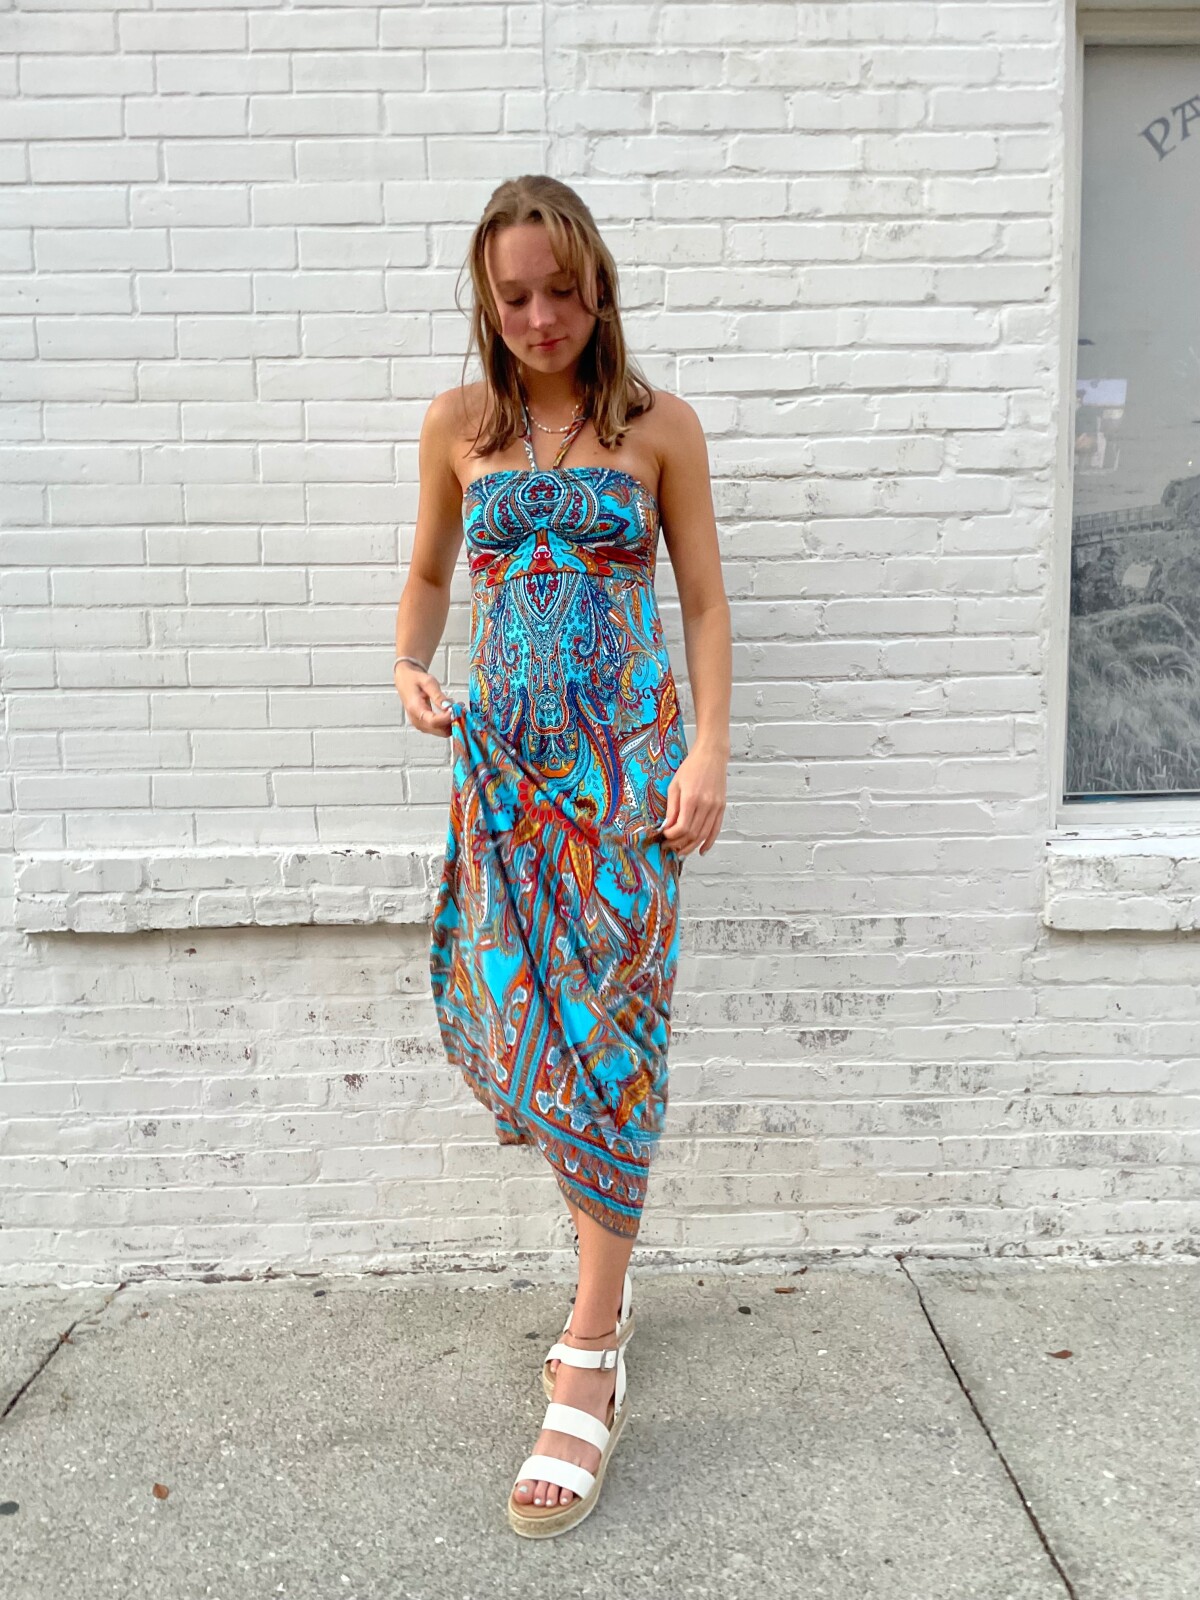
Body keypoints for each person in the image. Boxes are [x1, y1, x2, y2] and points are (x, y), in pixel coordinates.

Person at [392, 174, 731, 1536]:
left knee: (615, 1043)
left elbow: (701, 601)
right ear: (489, 302)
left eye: (563, 290)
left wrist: (709, 753)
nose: (541, 317)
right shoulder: (458, 427)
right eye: (515, 295)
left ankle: (589, 1350)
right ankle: (611, 1282)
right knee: (529, 1023)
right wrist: (408, 663)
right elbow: (431, 573)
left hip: (629, 780)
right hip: (505, 780)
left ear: (599, 287)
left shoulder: (660, 428)